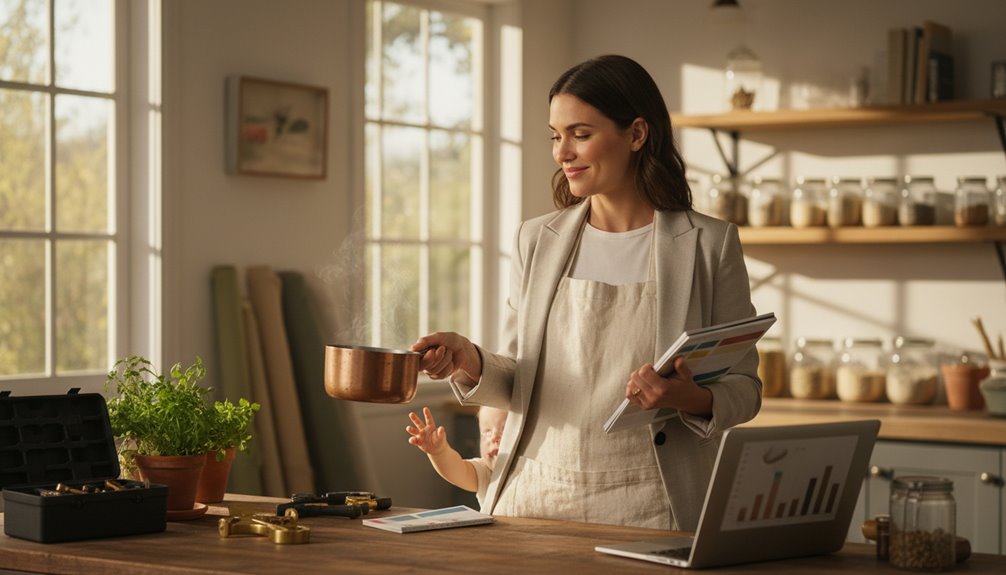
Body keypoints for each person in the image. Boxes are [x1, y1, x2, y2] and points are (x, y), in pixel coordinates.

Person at [411, 54, 761, 531]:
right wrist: (467, 359)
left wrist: (688, 397)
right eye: (556, 136)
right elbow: (519, 378)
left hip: (653, 505)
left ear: (637, 135)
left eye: (580, 134)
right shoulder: (536, 240)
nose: (561, 153)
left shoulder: (710, 245)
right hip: (534, 496)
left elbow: (744, 389)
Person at [405, 405, 507, 511]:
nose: (494, 437)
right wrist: (439, 452)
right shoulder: (487, 472)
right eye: (487, 432)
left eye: (505, 430)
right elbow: (458, 470)